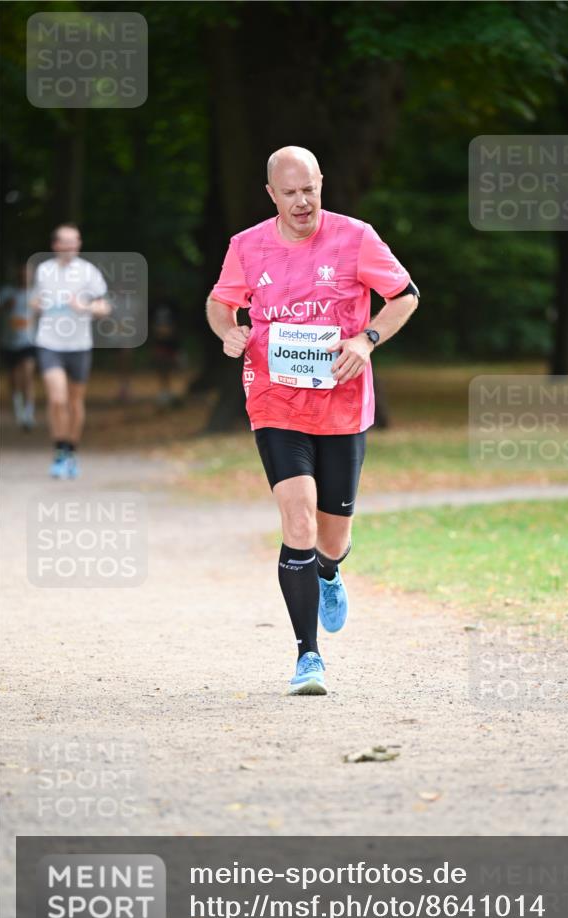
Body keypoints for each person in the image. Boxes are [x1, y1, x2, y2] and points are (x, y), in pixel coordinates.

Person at [206, 146, 419, 695]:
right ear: (271, 194)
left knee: (332, 537)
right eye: (290, 192)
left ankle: (328, 571)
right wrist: (229, 329)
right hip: (275, 400)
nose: (303, 202)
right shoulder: (247, 246)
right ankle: (308, 657)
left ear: (321, 184)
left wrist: (366, 339)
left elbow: (405, 296)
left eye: (311, 190)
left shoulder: (356, 237)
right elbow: (219, 302)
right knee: (296, 522)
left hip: (343, 404)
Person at [32, 224, 111, 479]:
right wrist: (35, 304)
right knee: (57, 399)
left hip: (79, 344)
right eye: (65, 242)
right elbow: (34, 301)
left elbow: (104, 307)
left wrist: (84, 307)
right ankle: (59, 452)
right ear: (55, 245)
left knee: (75, 402)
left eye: (74, 242)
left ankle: (71, 451)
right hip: (49, 342)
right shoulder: (44, 270)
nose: (70, 247)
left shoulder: (88, 272)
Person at [0, 264, 37, 429]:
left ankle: (29, 414)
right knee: (13, 379)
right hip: (9, 342)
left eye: (27, 274)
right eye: (21, 274)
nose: (24, 277)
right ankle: (18, 408)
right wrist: (6, 305)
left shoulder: (37, 294)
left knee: (27, 375)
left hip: (28, 343)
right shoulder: (7, 292)